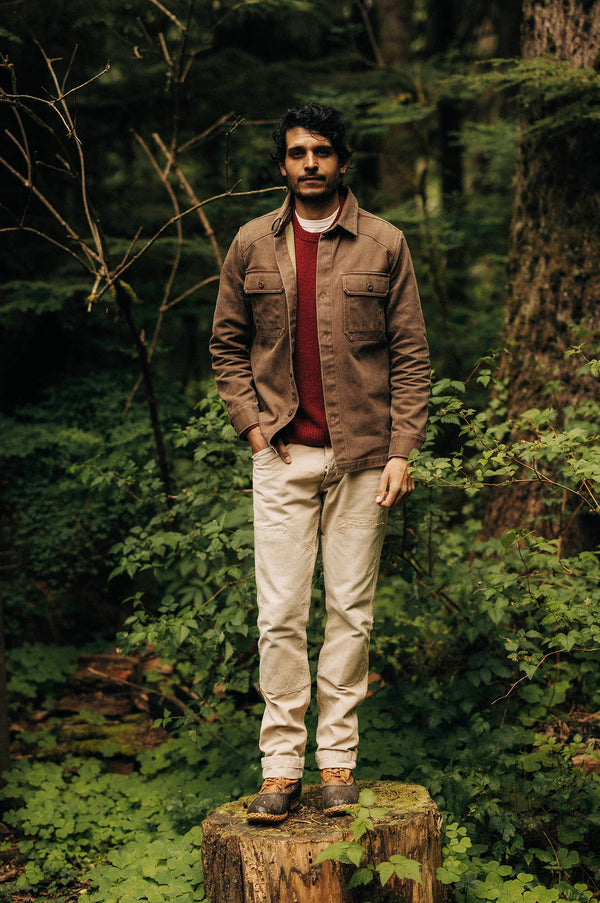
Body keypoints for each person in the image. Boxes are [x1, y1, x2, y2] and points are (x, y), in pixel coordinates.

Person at [210, 101, 430, 824]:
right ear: (283, 164)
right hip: (281, 454)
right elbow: (226, 346)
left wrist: (402, 450)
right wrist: (253, 431)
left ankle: (336, 761)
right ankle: (280, 767)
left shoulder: (385, 243)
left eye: (323, 152)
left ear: (342, 161)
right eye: (298, 151)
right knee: (279, 616)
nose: (311, 163)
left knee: (350, 613)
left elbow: (410, 357)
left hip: (365, 458)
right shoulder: (250, 243)